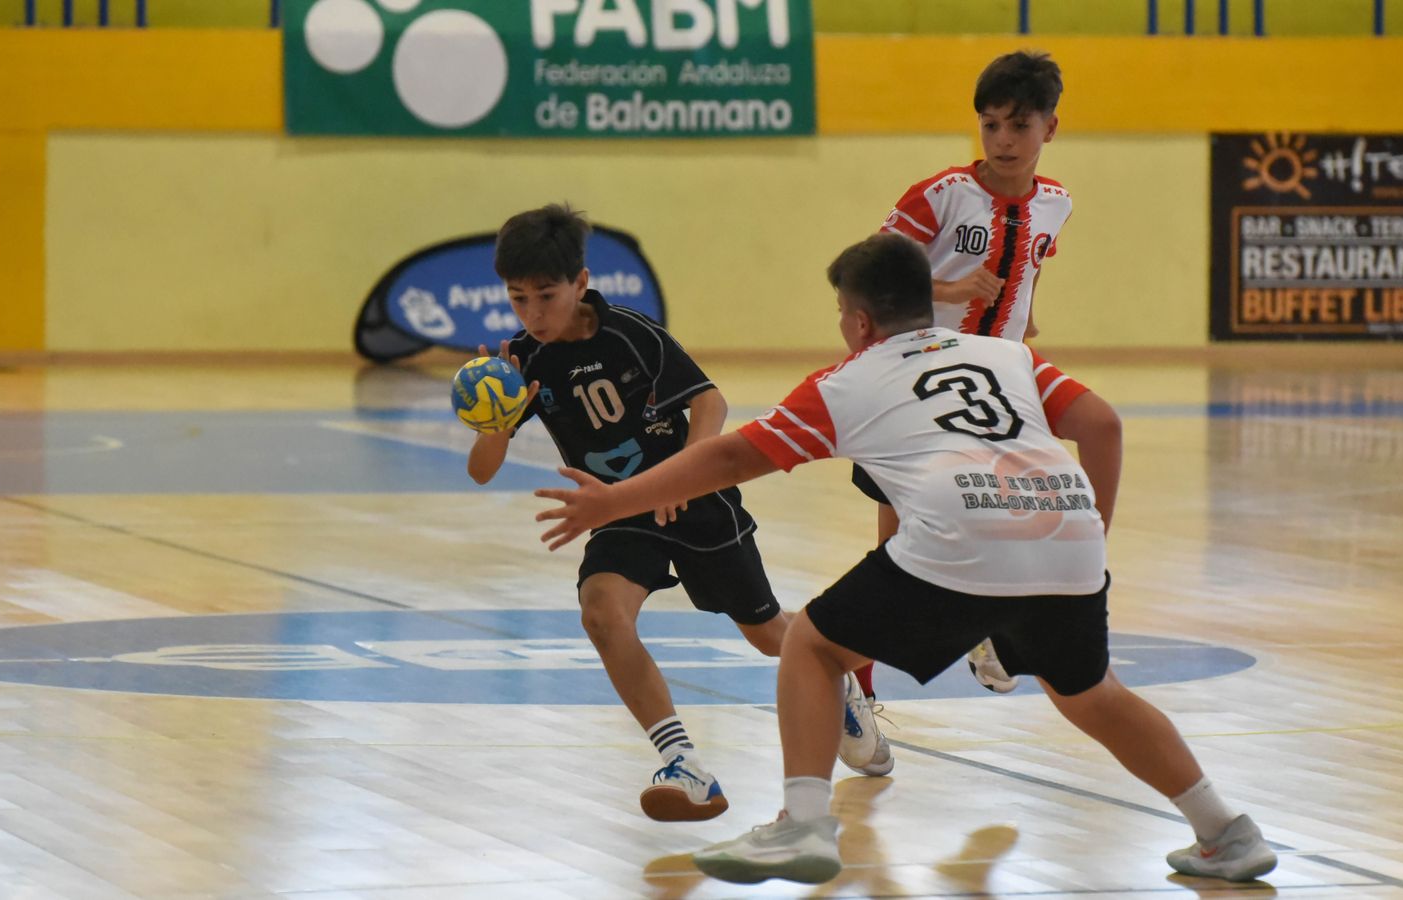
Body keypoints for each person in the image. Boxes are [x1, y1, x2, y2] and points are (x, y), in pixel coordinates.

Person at [535, 233, 1277, 885]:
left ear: (858, 319)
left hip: (964, 533)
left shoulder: (848, 379)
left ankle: (802, 825)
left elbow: (730, 455)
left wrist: (613, 501)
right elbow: (1102, 424)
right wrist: (1090, 540)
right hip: (1068, 529)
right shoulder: (1009, 354)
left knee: (812, 645)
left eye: (840, 316)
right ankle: (1226, 831)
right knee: (1091, 694)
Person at [468, 203, 870, 821]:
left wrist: (687, 470)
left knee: (767, 635)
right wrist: (498, 417)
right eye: (517, 299)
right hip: (617, 511)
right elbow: (481, 469)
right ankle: (683, 763)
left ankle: (837, 673)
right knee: (601, 613)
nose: (532, 314)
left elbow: (710, 401)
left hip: (695, 501)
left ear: (580, 283)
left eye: (545, 296)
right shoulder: (525, 360)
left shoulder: (631, 333)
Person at [844, 50, 1122, 728]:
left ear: (1049, 129)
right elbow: (866, 277)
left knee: (1103, 426)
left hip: (1010, 366)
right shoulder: (939, 195)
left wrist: (1027, 320)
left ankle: (1074, 583)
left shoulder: (1057, 203)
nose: (1001, 140)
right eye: (990, 125)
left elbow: (1027, 272)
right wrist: (947, 289)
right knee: (898, 548)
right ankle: (859, 691)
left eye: (1017, 126)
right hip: (920, 372)